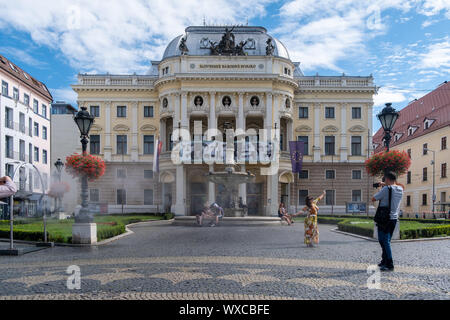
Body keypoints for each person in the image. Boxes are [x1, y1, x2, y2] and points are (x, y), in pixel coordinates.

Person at [372, 171, 404, 272]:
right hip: (394, 218)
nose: (383, 181)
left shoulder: (386, 189)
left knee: (384, 241)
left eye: (384, 179)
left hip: (384, 218)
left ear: (387, 179)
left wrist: (382, 187)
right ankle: (384, 260)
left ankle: (389, 264)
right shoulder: (400, 189)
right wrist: (385, 185)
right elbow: (394, 186)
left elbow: (373, 198)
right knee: (385, 240)